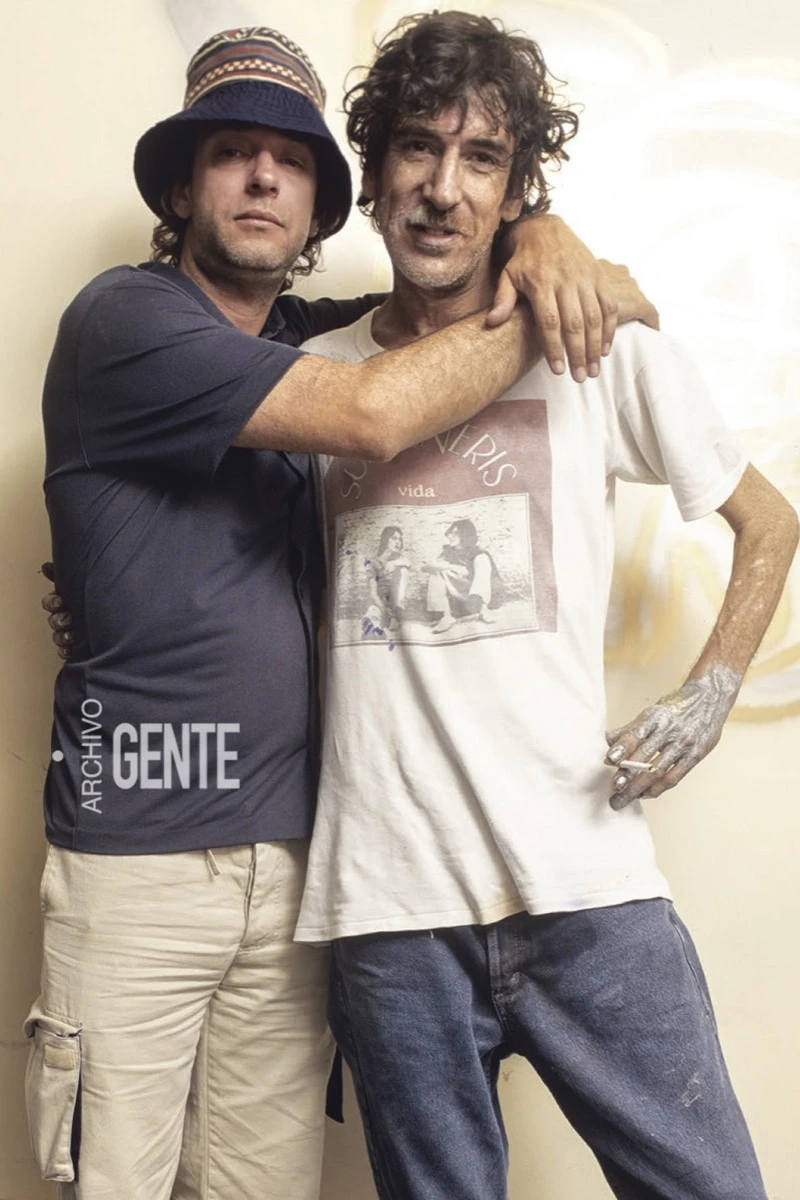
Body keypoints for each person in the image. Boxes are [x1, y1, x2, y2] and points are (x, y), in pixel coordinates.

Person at [29, 24, 659, 1200]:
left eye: (291, 160)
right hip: (136, 862)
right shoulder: (124, 321)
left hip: (298, 868)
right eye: (231, 152)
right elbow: (379, 409)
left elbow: (443, 295)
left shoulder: (308, 341)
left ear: (324, 203)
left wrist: (538, 234)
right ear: (182, 187)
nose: (262, 178)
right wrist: (554, 299)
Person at [293, 12, 799, 1200]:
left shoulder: (592, 346)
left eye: (480, 159)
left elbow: (767, 522)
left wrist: (707, 692)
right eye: (417, 148)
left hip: (586, 888)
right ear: (372, 172)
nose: (442, 188)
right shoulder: (313, 376)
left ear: (515, 190)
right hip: (389, 911)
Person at [423, 517, 502, 633]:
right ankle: (446, 616)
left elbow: (489, 579)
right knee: (437, 570)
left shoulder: (477, 552)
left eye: (455, 533)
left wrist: (459, 570)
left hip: (476, 598)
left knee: (482, 559)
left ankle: (483, 609)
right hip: (458, 599)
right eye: (449, 533)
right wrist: (449, 567)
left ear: (465, 535)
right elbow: (426, 567)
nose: (450, 536)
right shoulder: (448, 552)